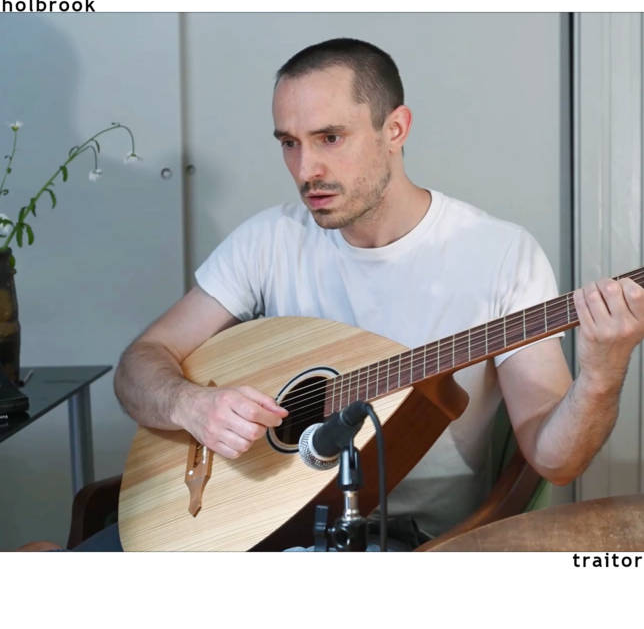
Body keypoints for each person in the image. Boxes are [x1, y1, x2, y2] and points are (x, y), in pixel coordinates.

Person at [113, 37, 644, 546]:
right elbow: (140, 363)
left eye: (330, 138)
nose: (306, 170)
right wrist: (190, 405)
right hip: (264, 532)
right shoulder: (269, 239)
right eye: (289, 143)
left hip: (425, 548)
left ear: (395, 128)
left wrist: (602, 373)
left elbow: (556, 461)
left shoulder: (502, 254)